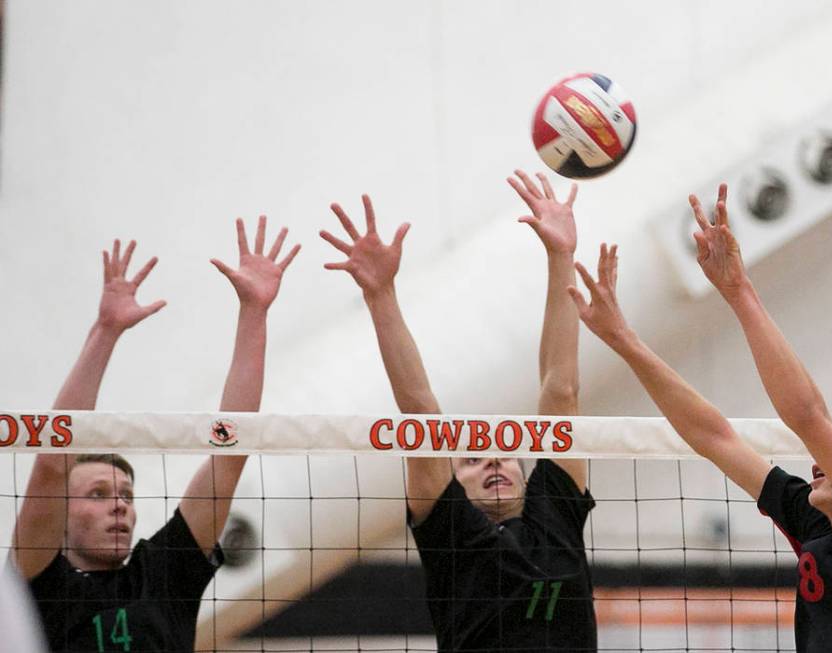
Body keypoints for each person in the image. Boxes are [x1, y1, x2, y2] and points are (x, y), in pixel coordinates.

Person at [569, 184, 832, 652]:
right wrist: (624, 339)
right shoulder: (814, 522)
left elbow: (807, 416)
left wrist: (738, 291)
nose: (822, 452)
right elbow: (714, 436)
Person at [319, 171, 596, 651]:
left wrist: (561, 255)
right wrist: (381, 296)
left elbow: (561, 389)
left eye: (505, 455)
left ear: (527, 475)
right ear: (454, 484)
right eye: (471, 459)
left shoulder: (554, 516)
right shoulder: (451, 534)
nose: (493, 460)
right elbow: (421, 412)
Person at [11, 219, 300, 652]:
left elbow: (232, 450)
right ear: (62, 516)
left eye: (125, 494)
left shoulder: (164, 575)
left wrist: (254, 312)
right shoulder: (37, 581)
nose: (119, 507)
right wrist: (105, 333)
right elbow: (54, 457)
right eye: (98, 495)